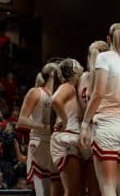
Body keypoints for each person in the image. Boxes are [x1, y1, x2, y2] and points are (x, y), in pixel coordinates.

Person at [79, 23, 120, 196]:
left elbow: (98, 93)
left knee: (108, 187)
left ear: (108, 39)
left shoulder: (104, 57)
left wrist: (84, 123)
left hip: (108, 123)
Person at [18, 63, 63, 196]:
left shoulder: (58, 94)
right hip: (38, 142)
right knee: (42, 192)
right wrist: (46, 127)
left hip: (53, 144)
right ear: (52, 74)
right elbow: (22, 120)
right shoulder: (36, 92)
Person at [77, 40, 109, 195]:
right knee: (109, 183)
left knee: (90, 184)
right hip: (105, 128)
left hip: (86, 129)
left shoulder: (82, 78)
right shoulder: (111, 76)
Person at [50, 58, 84, 196]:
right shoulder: (67, 86)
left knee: (74, 190)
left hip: (67, 137)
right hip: (66, 138)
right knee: (71, 191)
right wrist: (64, 120)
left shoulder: (72, 88)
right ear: (75, 70)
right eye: (80, 64)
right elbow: (55, 100)